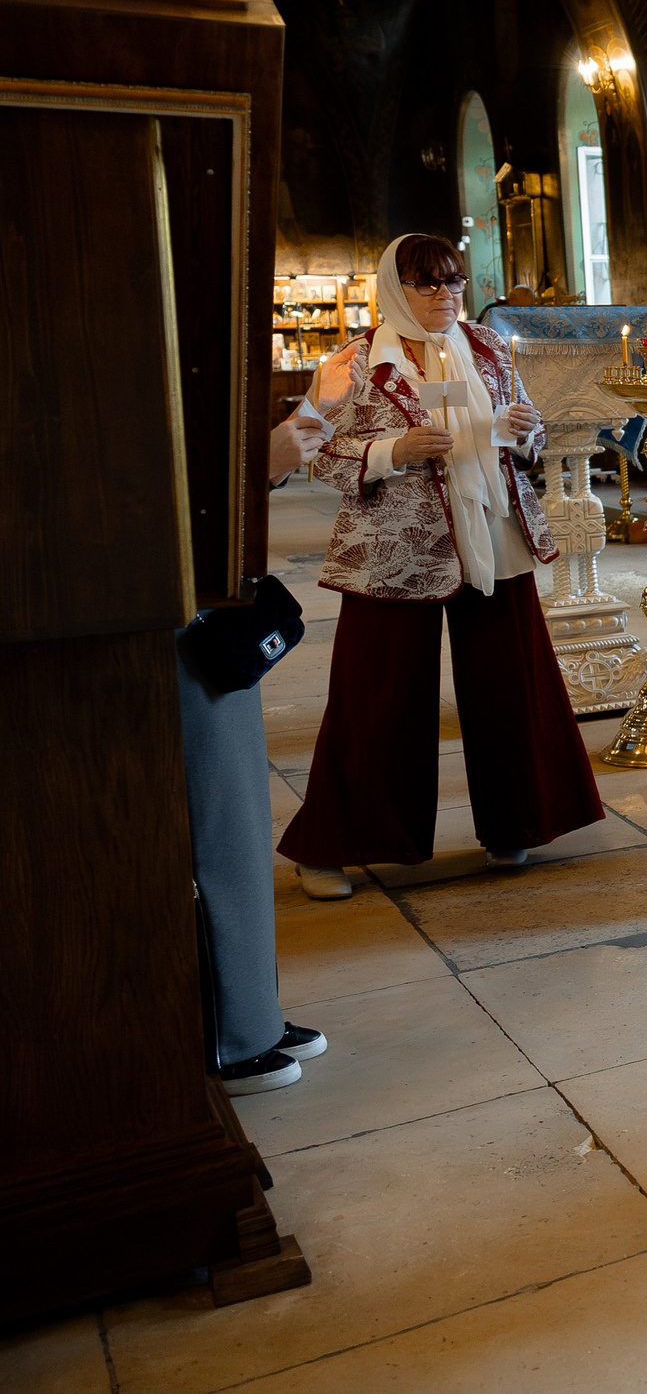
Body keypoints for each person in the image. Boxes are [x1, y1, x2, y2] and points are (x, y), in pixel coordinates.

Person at [277, 235, 604, 882]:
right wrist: (392, 452)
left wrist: (523, 430)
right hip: (392, 548)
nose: (446, 296)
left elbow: (527, 430)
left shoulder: (485, 348)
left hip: (491, 532)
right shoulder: (357, 361)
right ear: (398, 289)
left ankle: (517, 822)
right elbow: (320, 456)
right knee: (376, 696)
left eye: (454, 283)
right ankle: (332, 844)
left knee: (511, 685)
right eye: (429, 284)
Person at [187, 414, 332, 1095]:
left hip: (206, 595)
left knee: (241, 812)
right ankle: (229, 1034)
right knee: (213, 817)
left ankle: (253, 1012)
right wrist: (255, 467)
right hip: (166, 605)